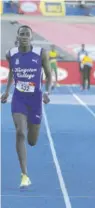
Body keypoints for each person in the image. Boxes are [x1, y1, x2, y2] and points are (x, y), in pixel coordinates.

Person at [1, 25, 52, 188]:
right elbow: (12, 72)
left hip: (35, 99)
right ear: (17, 36)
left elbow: (49, 75)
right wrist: (7, 91)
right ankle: (24, 175)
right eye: (21, 34)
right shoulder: (11, 54)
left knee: (32, 141)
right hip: (19, 98)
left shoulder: (40, 54)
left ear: (31, 37)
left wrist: (47, 92)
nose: (24, 36)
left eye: (27, 34)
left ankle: (32, 126)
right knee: (20, 132)